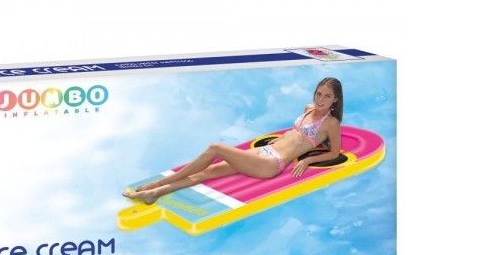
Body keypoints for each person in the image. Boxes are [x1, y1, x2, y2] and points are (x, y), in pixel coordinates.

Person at [124, 78, 343, 205]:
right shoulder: (308, 108)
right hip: (264, 152)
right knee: (208, 172)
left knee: (216, 148)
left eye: (327, 96)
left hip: (272, 164)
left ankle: (157, 184)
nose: (320, 99)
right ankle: (155, 193)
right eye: (318, 94)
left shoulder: (331, 123)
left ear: (335, 99)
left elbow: (334, 153)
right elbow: (295, 136)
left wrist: (306, 160)